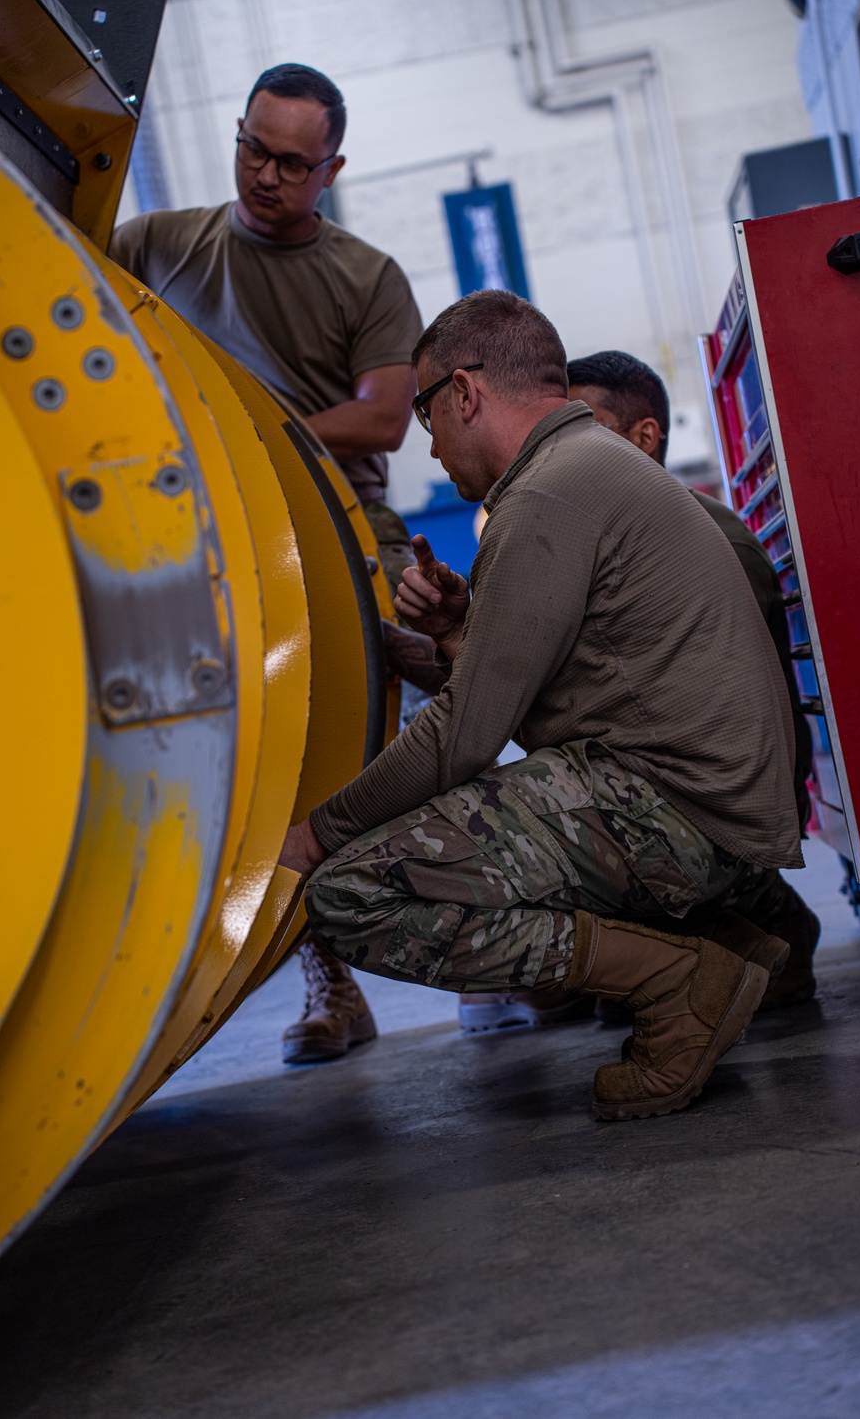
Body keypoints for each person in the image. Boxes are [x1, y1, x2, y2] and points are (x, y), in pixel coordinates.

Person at [279, 289, 804, 1122]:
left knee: (350, 892)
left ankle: (679, 981)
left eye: (427, 416)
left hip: (678, 815)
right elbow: (558, 693)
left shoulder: (545, 498)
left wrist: (317, 833)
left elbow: (463, 739)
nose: (433, 450)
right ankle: (721, 945)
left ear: (463, 393)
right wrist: (461, 635)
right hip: (718, 810)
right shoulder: (591, 466)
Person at [111, 62, 424, 1067]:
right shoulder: (156, 247)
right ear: (236, 134)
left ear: (330, 168)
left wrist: (234, 436)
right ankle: (325, 981)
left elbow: (383, 418)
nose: (267, 176)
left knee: (394, 750)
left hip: (337, 539)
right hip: (195, 546)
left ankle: (503, 956)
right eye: (255, 149)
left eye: (293, 162)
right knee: (241, 776)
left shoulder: (365, 278)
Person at [457, 348, 820, 1035]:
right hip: (665, 786)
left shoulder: (709, 540)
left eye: (583, 425)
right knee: (555, 986)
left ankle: (763, 919)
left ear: (642, 438)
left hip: (712, 801)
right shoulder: (593, 537)